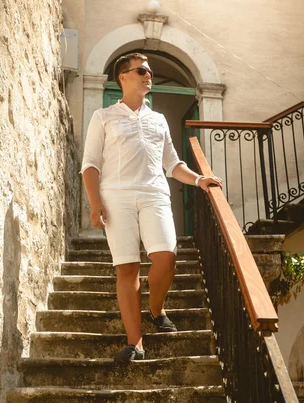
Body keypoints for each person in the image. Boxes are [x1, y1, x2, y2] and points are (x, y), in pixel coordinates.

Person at [81, 52, 222, 363]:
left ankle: (156, 309)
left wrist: (200, 180)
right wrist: (95, 204)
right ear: (123, 77)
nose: (148, 75)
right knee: (128, 267)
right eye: (142, 70)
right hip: (116, 196)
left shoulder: (158, 120)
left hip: (155, 193)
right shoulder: (103, 117)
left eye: (149, 71)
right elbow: (90, 164)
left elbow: (172, 164)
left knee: (166, 257)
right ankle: (136, 344)